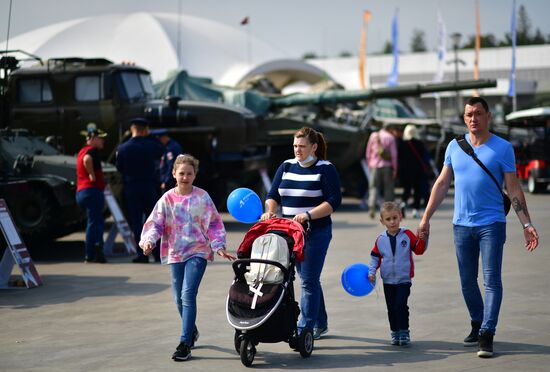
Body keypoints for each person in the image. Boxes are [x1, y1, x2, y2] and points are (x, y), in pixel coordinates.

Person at [418, 96, 539, 358]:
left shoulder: (503, 147)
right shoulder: (454, 146)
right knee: (466, 282)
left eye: (479, 114)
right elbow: (441, 184)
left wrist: (526, 223)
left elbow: (513, 187)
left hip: (492, 223)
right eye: (469, 114)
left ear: (488, 117)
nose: (474, 118)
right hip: (461, 225)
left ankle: (487, 333)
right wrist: (426, 218)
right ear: (464, 118)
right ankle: (477, 321)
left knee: (491, 280)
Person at [139, 154, 235, 362]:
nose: (185, 177)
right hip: (175, 252)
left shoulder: (202, 197)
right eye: (181, 173)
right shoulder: (167, 199)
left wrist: (218, 247)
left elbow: (214, 224)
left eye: (189, 173)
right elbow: (155, 223)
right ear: (174, 174)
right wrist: (149, 241)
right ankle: (191, 330)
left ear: (195, 175)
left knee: (187, 294)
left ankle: (184, 343)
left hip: (198, 251)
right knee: (177, 298)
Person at [260, 126, 342, 340]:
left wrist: (308, 215)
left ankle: (305, 326)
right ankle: (321, 323)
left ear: (314, 147)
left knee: (308, 280)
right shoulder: (286, 166)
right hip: (290, 233)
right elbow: (272, 194)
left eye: (302, 146)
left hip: (316, 232)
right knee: (309, 279)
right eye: (295, 146)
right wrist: (270, 211)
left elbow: (334, 201)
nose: (298, 150)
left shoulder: (326, 168)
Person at [368, 201, 427, 346]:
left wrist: (423, 238)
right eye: (388, 219)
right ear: (382, 221)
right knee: (391, 308)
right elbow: (374, 257)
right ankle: (395, 332)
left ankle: (404, 331)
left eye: (395, 217)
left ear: (400, 217)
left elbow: (418, 250)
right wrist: (372, 272)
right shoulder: (380, 239)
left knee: (400, 305)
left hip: (404, 279)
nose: (392, 221)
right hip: (387, 280)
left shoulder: (407, 235)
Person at [116, 118, 165, 263]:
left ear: (132, 129)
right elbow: (161, 150)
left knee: (136, 222)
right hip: (149, 187)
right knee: (154, 221)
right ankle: (157, 254)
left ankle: (142, 254)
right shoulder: (151, 145)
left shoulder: (123, 148)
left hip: (131, 187)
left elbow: (119, 168)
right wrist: (149, 136)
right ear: (145, 130)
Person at [75, 123, 108, 263]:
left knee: (93, 222)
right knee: (96, 223)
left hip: (82, 192)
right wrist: (92, 174)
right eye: (100, 138)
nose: (103, 141)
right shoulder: (91, 151)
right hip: (92, 191)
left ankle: (93, 252)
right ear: (93, 138)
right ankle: (93, 253)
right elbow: (87, 160)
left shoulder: (81, 150)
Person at [365, 125, 398, 218]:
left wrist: (369, 164)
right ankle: (388, 211)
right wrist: (395, 168)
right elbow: (394, 155)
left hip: (374, 166)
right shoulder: (390, 138)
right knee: (388, 189)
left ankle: (371, 206)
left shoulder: (373, 136)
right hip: (387, 166)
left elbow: (368, 152)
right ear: (390, 129)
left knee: (373, 187)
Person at [400, 124, 431, 218]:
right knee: (417, 190)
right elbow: (425, 157)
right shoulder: (419, 143)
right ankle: (415, 210)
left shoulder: (402, 144)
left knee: (407, 189)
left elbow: (399, 159)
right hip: (418, 171)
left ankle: (403, 204)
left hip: (406, 171)